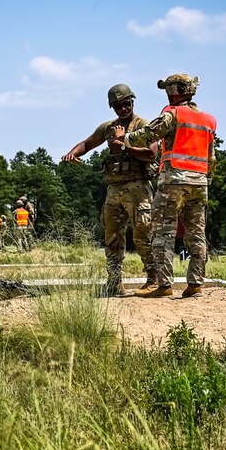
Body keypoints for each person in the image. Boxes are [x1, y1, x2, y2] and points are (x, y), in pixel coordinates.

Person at [112, 73, 216, 299]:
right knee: (196, 233)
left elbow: (150, 133)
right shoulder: (209, 120)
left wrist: (125, 140)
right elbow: (212, 159)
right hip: (199, 182)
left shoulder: (172, 113)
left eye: (169, 90)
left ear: (177, 91)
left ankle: (164, 284)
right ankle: (196, 283)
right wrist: (206, 180)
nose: (168, 95)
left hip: (173, 181)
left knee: (162, 233)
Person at [61, 83, 157, 296]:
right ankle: (114, 283)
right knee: (112, 236)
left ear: (132, 101)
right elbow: (88, 143)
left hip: (138, 187)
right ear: (112, 107)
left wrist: (124, 145)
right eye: (118, 106)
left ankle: (153, 278)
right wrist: (73, 153)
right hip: (114, 188)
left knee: (143, 234)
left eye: (126, 104)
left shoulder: (143, 125)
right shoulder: (108, 128)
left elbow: (152, 154)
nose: (123, 108)